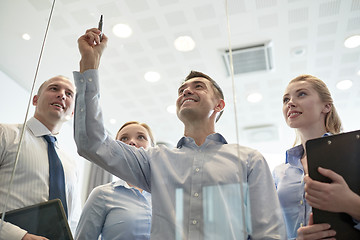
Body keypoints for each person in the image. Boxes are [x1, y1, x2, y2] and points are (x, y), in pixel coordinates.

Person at [73, 28, 286, 239]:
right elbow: (91, 143)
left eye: (198, 86)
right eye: (182, 90)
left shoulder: (249, 160)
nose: (186, 91)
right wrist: (89, 64)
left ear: (219, 105)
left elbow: (268, 233)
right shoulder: (154, 161)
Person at [273, 74, 360, 239]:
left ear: (326, 106)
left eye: (302, 94)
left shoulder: (354, 154)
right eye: (285, 100)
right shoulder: (279, 172)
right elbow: (271, 231)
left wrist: (352, 204)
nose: (290, 103)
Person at [0, 76, 81, 240]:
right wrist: (18, 236)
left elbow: (73, 219)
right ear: (35, 99)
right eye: (54, 88)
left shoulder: (71, 163)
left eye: (69, 93)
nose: (62, 95)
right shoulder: (5, 135)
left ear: (72, 112)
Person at [75, 121, 153, 240]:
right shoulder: (102, 194)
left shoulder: (166, 196)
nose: (131, 142)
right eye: (124, 138)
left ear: (153, 148)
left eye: (141, 137)